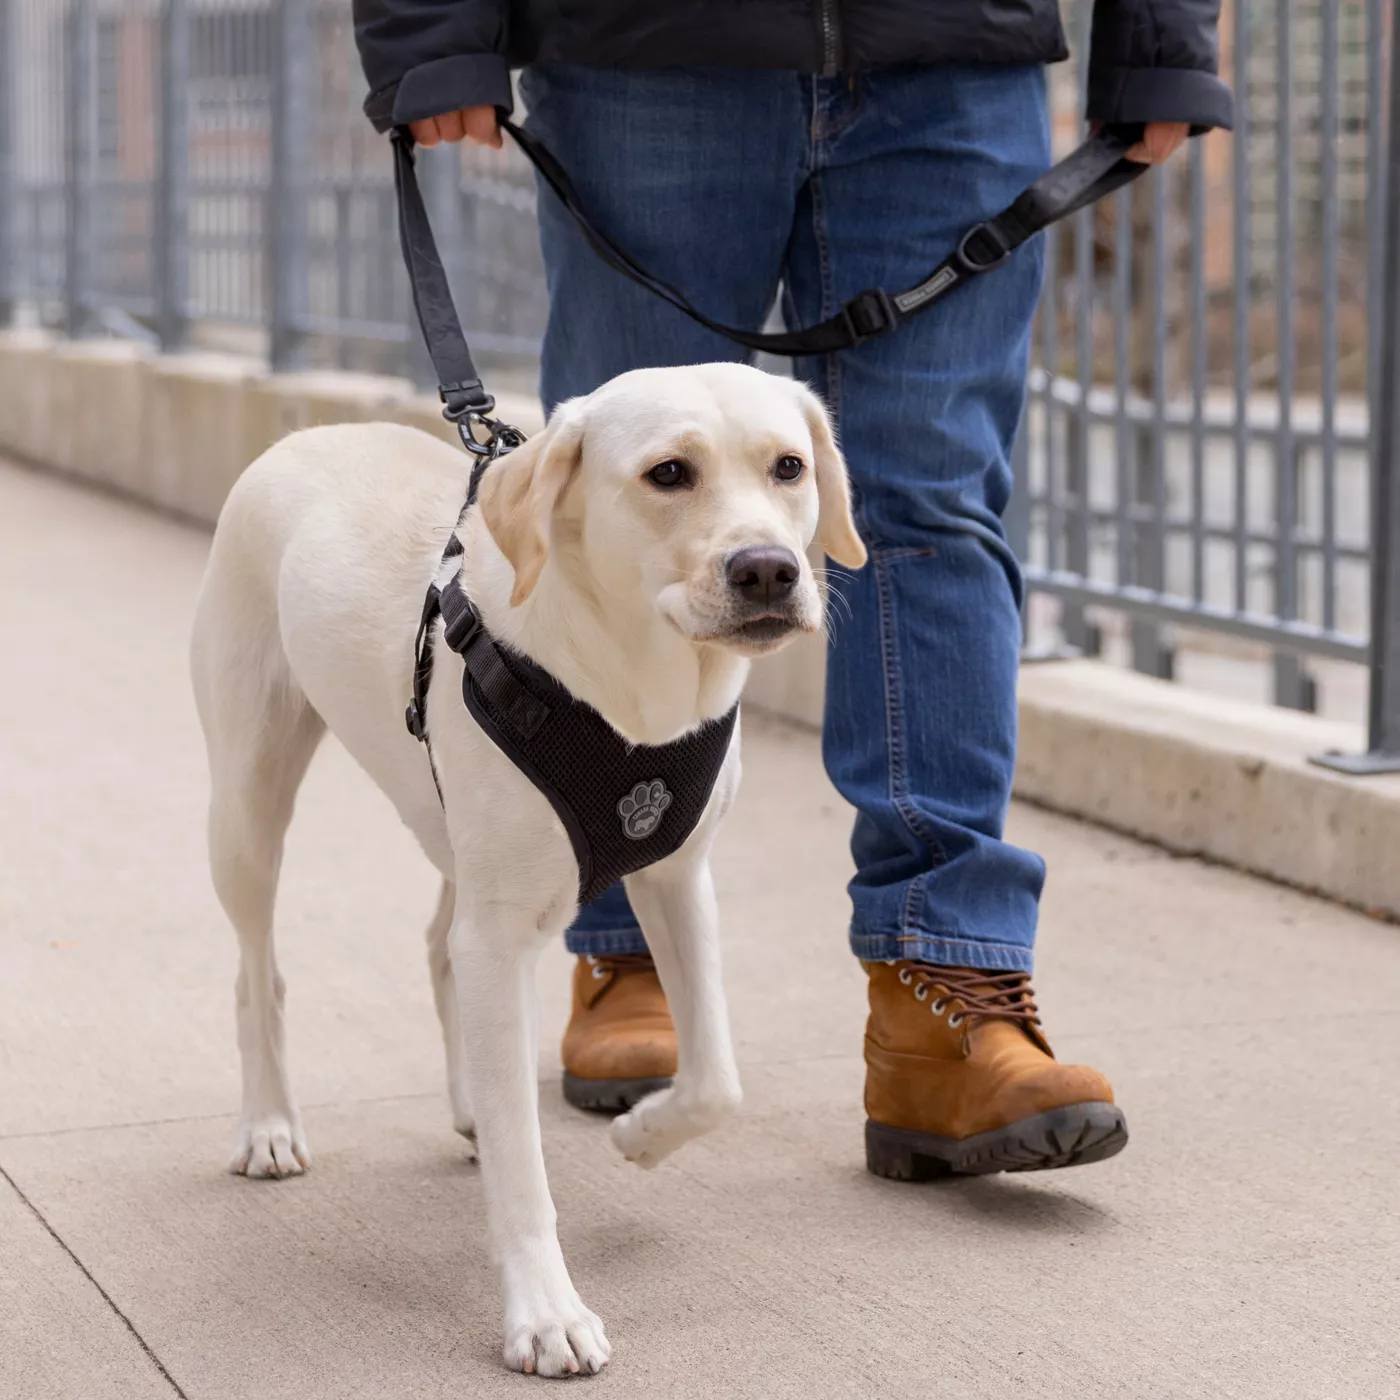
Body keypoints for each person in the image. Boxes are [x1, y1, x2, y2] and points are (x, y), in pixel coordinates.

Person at [353, 0, 1231, 1177]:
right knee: (627, 498)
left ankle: (946, 986)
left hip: (956, 50)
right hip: (645, 57)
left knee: (924, 504)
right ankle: (622, 943)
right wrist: (431, 28)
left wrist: (1159, 35)